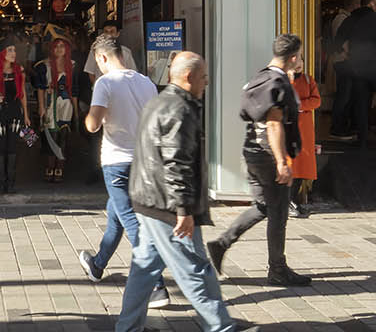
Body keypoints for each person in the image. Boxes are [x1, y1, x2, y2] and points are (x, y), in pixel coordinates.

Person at [114, 52, 254, 332]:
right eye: (204, 76)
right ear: (189, 77)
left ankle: (127, 328)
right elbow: (176, 162)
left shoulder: (159, 102)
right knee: (194, 268)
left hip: (147, 199)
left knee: (144, 268)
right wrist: (183, 210)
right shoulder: (180, 108)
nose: (207, 82)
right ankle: (221, 327)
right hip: (166, 206)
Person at [208, 33, 311, 289]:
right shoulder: (279, 83)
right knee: (279, 213)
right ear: (294, 58)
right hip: (268, 155)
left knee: (264, 206)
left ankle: (222, 243)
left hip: (251, 151)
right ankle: (277, 270)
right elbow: (274, 124)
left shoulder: (260, 76)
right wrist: (282, 162)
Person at [77, 34, 168, 308]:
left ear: (102, 58)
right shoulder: (146, 83)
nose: (99, 69)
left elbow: (93, 125)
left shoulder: (105, 83)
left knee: (132, 223)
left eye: (98, 63)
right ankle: (97, 264)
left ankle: (157, 286)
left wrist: (90, 116)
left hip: (117, 163)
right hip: (143, 160)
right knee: (116, 217)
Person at [341, 0, 376, 149]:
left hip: (358, 67)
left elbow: (338, 41)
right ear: (371, 3)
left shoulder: (350, 19)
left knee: (361, 104)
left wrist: (349, 54)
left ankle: (362, 138)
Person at [0, 38, 27, 195]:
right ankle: (0, 183)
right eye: (9, 50)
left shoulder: (19, 70)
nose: (13, 53)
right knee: (0, 147)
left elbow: (22, 95)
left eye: (14, 50)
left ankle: (10, 183)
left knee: (13, 147)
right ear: (2, 53)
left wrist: (27, 116)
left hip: (15, 112)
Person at [34, 35, 76, 182]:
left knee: (63, 137)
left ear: (67, 49)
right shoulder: (43, 66)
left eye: (62, 46)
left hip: (66, 105)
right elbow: (40, 88)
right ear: (52, 48)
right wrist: (41, 107)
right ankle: (50, 166)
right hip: (49, 104)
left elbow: (75, 89)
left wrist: (77, 111)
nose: (59, 49)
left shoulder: (72, 65)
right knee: (50, 136)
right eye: (56, 46)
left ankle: (60, 167)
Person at [288, 52, 320, 218]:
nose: (298, 63)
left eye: (301, 60)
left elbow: (317, 100)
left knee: (303, 165)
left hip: (306, 129)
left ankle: (293, 200)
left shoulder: (309, 79)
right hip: (290, 127)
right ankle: (289, 201)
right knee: (292, 164)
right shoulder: (285, 80)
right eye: (295, 61)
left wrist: (300, 105)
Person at [328, 0, 360, 140]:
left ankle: (341, 126)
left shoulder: (342, 18)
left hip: (342, 60)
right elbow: (342, 41)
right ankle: (337, 127)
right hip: (343, 61)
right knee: (344, 95)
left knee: (345, 94)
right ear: (354, 5)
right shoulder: (342, 19)